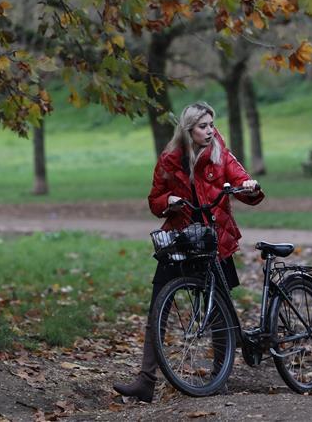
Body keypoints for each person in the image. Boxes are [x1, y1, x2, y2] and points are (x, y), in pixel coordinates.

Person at [113, 102, 264, 402]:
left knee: (220, 310)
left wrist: (249, 187)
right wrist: (169, 200)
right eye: (202, 126)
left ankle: (220, 376)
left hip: (214, 240)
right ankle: (146, 380)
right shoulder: (170, 159)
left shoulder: (219, 151)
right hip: (180, 240)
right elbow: (155, 201)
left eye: (211, 124)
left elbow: (242, 183)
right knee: (159, 307)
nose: (209, 131)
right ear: (188, 129)